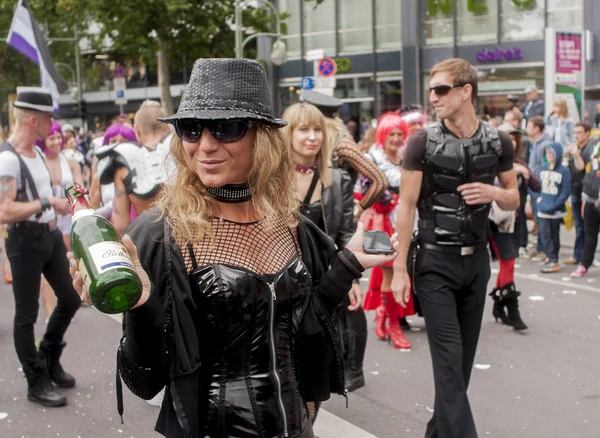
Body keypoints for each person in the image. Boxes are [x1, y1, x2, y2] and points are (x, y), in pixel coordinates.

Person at [68, 58, 399, 438]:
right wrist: (142, 309)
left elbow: (306, 326)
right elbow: (145, 382)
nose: (206, 146)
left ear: (262, 136)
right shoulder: (160, 233)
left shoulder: (291, 223)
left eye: (225, 128)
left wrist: (348, 264)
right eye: (192, 129)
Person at [391, 58, 519, 438]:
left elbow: (513, 198)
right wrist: (399, 270)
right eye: (431, 90)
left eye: (442, 89)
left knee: (458, 373)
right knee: (449, 367)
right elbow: (406, 205)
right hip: (433, 263)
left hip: (478, 262)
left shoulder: (499, 141)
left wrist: (495, 192)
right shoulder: (422, 141)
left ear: (466, 92)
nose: (433, 97)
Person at [0, 87, 81, 407]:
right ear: (34, 120)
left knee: (71, 297)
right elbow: (4, 211)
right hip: (24, 240)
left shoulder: (35, 155)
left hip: (47, 237)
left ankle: (48, 356)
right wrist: (46, 201)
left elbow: (38, 200)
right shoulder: (8, 158)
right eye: (49, 118)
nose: (53, 125)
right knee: (26, 314)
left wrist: (59, 205)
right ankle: (36, 381)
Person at [282, 102, 362, 402]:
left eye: (317, 129)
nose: (312, 136)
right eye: (303, 129)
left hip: (324, 284)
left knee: (316, 370)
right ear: (288, 135)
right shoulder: (271, 179)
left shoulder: (337, 180)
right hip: (283, 283)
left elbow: (344, 235)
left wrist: (351, 279)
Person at [358, 112, 415, 350]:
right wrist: (386, 200)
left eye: (400, 134)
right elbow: (361, 190)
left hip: (403, 222)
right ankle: (392, 324)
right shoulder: (372, 157)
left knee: (391, 271)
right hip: (379, 223)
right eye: (391, 133)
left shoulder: (405, 157)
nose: (396, 138)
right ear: (383, 134)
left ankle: (384, 314)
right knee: (389, 271)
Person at [300, 90, 388, 218]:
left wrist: (357, 210)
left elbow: (380, 181)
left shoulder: (342, 145)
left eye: (316, 128)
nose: (312, 135)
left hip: (336, 219)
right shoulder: (319, 144)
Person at [488, 125, 539, 331]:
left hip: (516, 221)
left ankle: (499, 306)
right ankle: (512, 311)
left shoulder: (519, 163)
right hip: (497, 220)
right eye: (507, 138)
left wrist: (525, 173)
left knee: (508, 263)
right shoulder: (489, 163)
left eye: (514, 138)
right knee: (508, 262)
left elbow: (537, 186)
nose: (511, 142)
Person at [95, 101, 172, 235]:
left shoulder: (123, 163)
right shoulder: (184, 153)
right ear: (166, 128)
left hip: (148, 242)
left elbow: (120, 225)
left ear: (136, 129)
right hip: (191, 241)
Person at [38, 121, 84, 320]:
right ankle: (50, 312)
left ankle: (71, 298)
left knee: (68, 257)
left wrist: (72, 203)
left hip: (68, 214)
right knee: (47, 266)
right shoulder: (39, 162)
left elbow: (80, 187)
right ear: (43, 141)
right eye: (51, 138)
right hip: (47, 217)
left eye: (59, 137)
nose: (56, 141)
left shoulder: (70, 160)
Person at [536, 142, 572, 273]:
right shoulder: (542, 169)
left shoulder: (564, 170)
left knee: (554, 235)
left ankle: (553, 258)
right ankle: (550, 257)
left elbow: (566, 191)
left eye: (552, 153)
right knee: (545, 234)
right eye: (547, 153)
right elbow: (535, 186)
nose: (549, 156)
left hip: (556, 210)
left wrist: (556, 204)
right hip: (543, 209)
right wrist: (538, 199)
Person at [564, 122, 595, 266]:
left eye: (580, 132)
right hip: (574, 190)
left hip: (587, 192)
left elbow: (581, 167)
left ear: (587, 133)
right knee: (579, 225)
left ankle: (584, 256)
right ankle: (579, 255)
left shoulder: (591, 149)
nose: (577, 135)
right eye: (575, 132)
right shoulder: (574, 148)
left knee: (587, 227)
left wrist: (576, 154)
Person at [525, 116, 553, 261]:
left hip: (541, 187)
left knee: (542, 219)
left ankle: (545, 250)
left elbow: (546, 165)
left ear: (537, 128)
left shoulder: (546, 144)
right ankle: (540, 248)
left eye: (529, 126)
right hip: (533, 185)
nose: (526, 129)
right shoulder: (534, 143)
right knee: (537, 218)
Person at [572, 139, 600, 277]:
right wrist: (576, 154)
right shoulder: (594, 143)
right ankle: (585, 263)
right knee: (590, 233)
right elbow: (582, 167)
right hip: (591, 196)